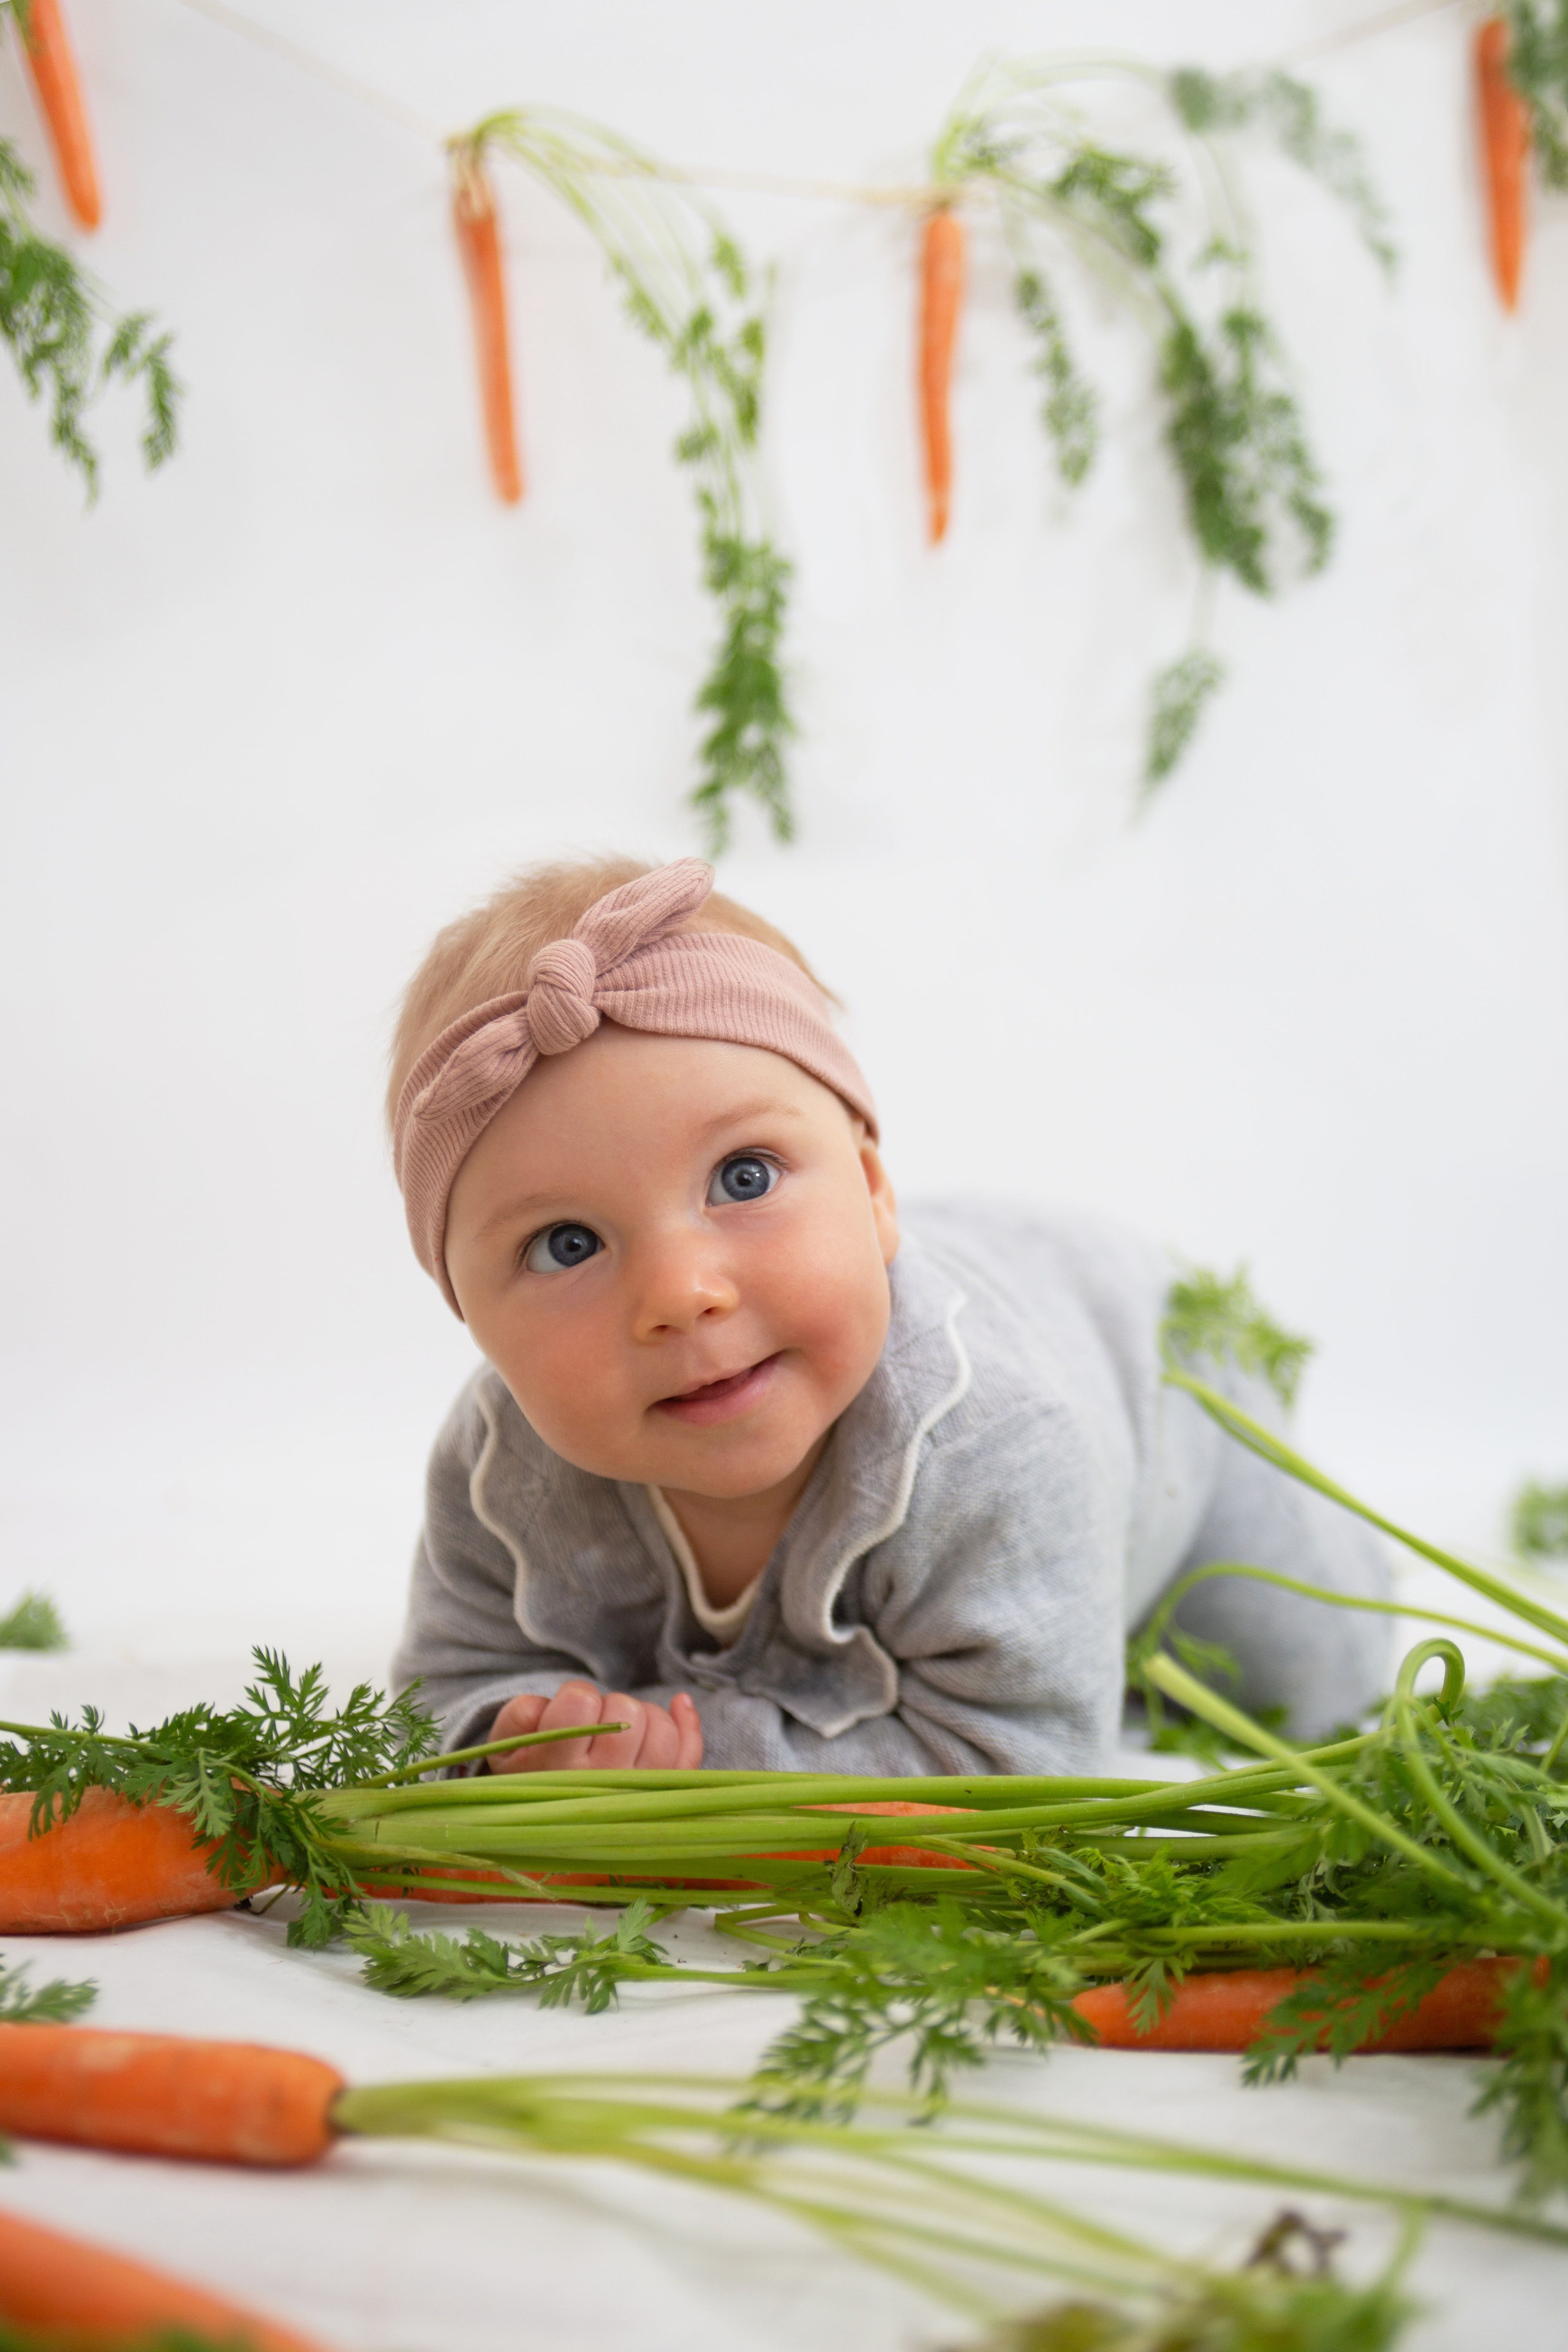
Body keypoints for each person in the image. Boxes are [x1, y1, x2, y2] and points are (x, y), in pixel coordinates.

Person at [386, 854, 1389, 1776]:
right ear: (470, 1318)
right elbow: (443, 1698)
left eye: (744, 1177)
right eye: (567, 1244)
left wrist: (695, 1761)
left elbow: (1020, 1764)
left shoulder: (996, 1442)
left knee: (1318, 1685)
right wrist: (513, 1746)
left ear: (871, 1194)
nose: (682, 1294)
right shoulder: (498, 1474)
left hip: (1161, 1379)